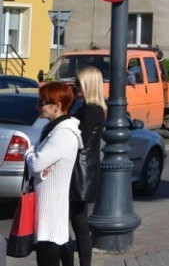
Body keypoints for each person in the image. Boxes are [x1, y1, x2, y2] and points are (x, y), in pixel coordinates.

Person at [26, 81, 82, 266]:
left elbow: (35, 163)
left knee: (48, 255)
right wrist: (36, 159)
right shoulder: (51, 129)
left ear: (57, 106)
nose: (37, 106)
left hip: (51, 209)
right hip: (46, 207)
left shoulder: (64, 133)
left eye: (41, 102)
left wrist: (30, 155)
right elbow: (38, 161)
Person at [61, 67, 107, 266]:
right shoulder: (92, 108)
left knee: (70, 226)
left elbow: (80, 141)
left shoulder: (89, 110)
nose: (74, 86)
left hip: (78, 174)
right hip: (83, 172)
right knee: (78, 224)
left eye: (78, 83)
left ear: (87, 85)